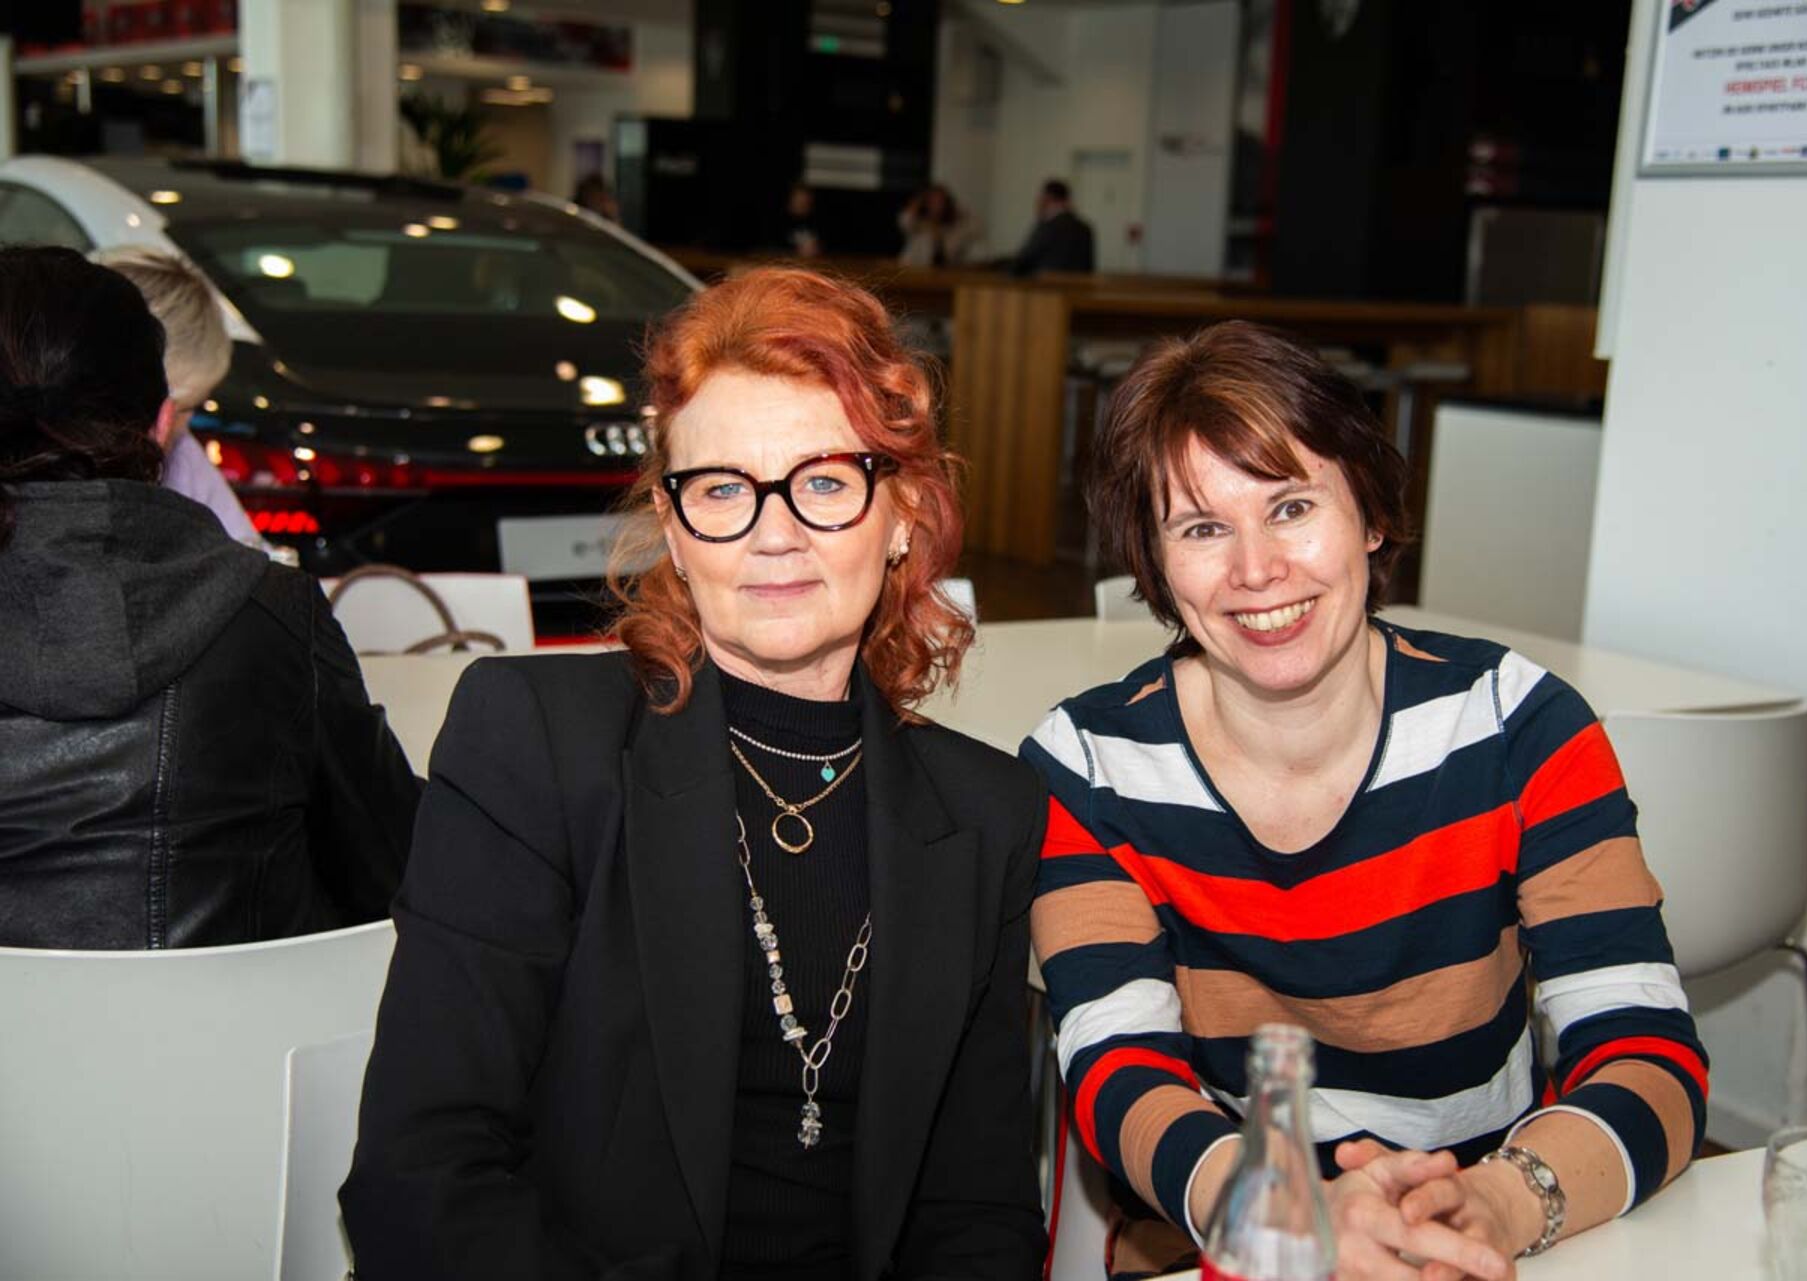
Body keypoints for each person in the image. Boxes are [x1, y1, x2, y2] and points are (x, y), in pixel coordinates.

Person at [342, 267, 1047, 1281]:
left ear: (903, 513)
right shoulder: (537, 745)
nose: (774, 533)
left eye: (824, 482)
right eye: (722, 488)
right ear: (673, 529)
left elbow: (977, 1215)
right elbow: (420, 1178)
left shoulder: (986, 813)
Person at [1023, 322, 1708, 1280]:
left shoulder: (1518, 726)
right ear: (1156, 560)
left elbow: (1646, 1049)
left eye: (1292, 506)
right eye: (1203, 528)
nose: (1256, 569)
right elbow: (1118, 1067)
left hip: (1485, 1224)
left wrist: (1499, 1202)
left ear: (1371, 517)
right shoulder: (1089, 765)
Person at [0, 246, 420, 948]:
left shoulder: (273, 611)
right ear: (162, 423)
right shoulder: (272, 615)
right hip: (247, 1022)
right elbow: (395, 862)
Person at [92, 244, 263, 550]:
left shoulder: (182, 455)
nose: (179, 426)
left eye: (184, 410)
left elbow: (242, 547)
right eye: (185, 409)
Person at [1010, 178, 1094, 276]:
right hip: (1078, 284)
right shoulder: (1085, 228)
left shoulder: (1048, 227)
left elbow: (1024, 259)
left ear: (1047, 198)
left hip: (1045, 284)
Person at [897, 183, 978, 268]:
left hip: (944, 271)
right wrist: (916, 203)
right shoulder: (918, 223)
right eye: (932, 201)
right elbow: (904, 221)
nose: (936, 205)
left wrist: (958, 210)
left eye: (940, 202)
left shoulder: (953, 228)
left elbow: (975, 228)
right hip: (913, 269)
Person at [783, 181, 823, 259]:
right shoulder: (780, 222)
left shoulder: (816, 221)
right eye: (799, 201)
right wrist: (796, 251)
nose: (803, 205)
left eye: (806, 202)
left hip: (813, 262)